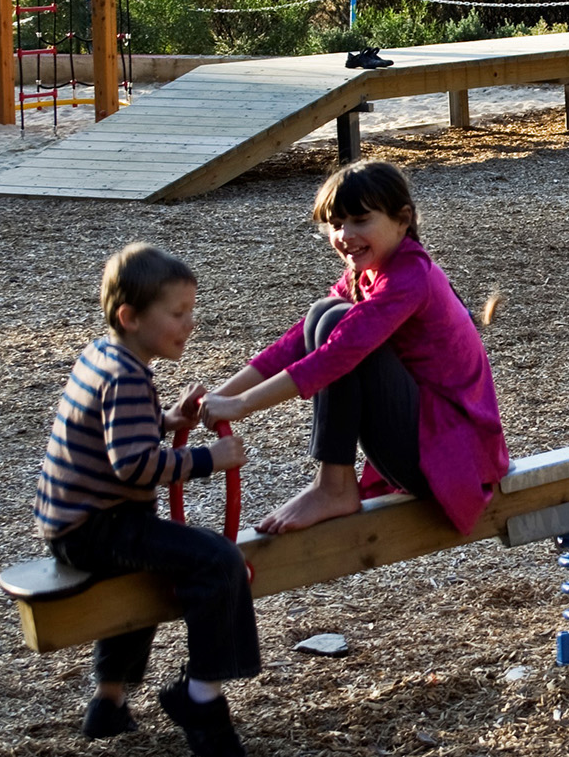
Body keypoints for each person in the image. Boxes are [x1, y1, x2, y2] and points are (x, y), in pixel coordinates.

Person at [35, 243, 256, 757]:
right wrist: (210, 458)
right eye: (178, 313)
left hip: (74, 522)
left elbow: (116, 434)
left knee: (144, 577)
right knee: (218, 562)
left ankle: (109, 702)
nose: (190, 323)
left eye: (191, 311)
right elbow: (132, 465)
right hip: (100, 524)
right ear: (130, 317)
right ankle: (200, 697)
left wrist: (166, 423)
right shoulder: (128, 376)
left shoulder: (104, 357)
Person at [201, 160, 509, 537]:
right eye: (335, 224)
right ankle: (333, 484)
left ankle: (334, 486)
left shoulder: (408, 275)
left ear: (402, 219)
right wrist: (217, 398)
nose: (345, 234)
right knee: (323, 313)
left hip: (455, 457)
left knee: (335, 326)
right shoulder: (369, 271)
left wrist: (243, 405)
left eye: (360, 220)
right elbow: (297, 341)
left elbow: (338, 354)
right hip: (428, 440)